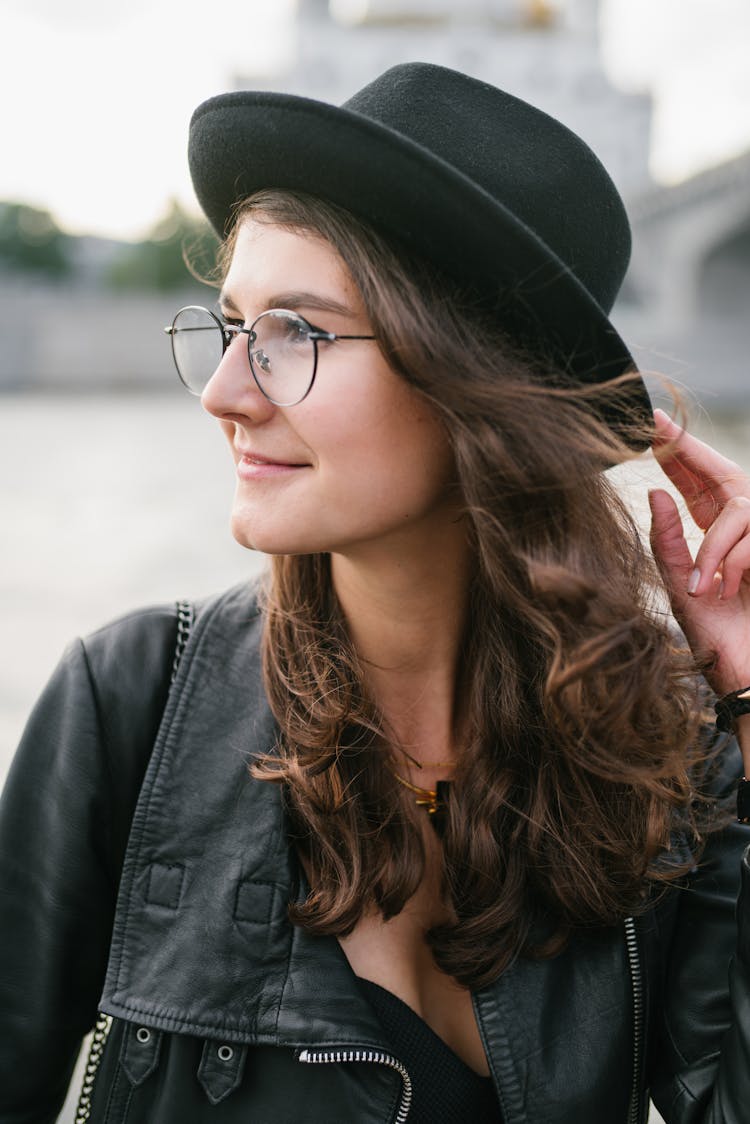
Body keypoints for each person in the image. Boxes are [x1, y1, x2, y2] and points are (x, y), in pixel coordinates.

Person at [1, 61, 750, 1124]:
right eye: (229, 325)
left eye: (295, 332)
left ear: (472, 379)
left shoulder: (672, 753)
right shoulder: (131, 707)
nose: (223, 394)